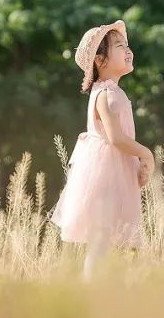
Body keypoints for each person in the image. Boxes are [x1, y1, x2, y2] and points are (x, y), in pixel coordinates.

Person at [51, 20, 154, 279]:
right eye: (120, 46)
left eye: (127, 45)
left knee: (109, 239)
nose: (128, 50)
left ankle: (105, 290)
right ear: (100, 60)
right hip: (105, 174)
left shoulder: (109, 91)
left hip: (112, 170)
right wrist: (145, 153)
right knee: (102, 239)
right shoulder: (107, 93)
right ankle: (93, 291)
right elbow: (115, 138)